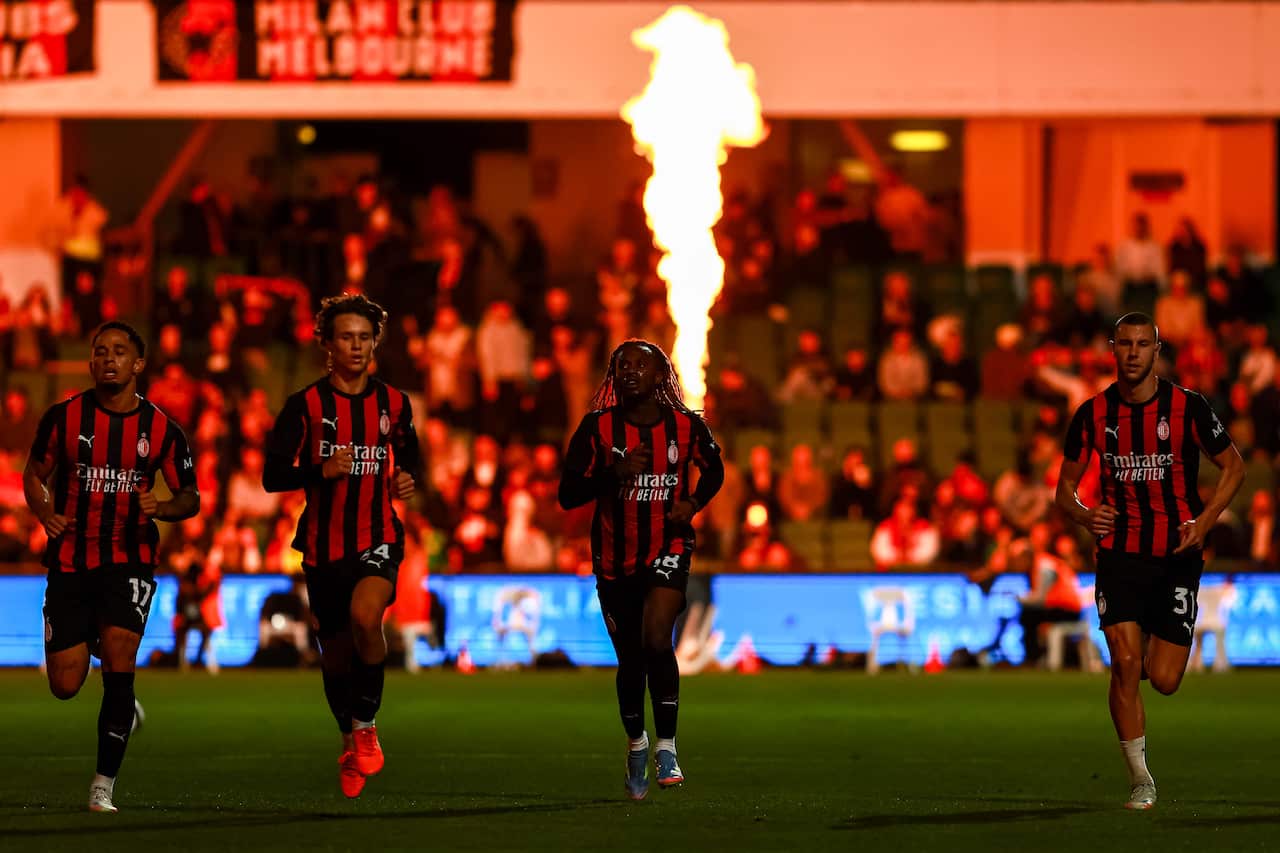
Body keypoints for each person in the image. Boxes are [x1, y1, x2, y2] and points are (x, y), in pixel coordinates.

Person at [1055, 312, 1244, 810]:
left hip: (1177, 554)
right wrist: (1084, 515)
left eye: (1143, 344)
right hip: (1119, 554)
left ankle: (1136, 664)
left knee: (1162, 679)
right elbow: (1064, 492)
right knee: (1124, 663)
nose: (1134, 352)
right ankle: (1140, 778)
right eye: (1125, 344)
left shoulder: (1189, 408)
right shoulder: (1092, 415)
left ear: (1156, 350)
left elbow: (1235, 467)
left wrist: (1204, 522)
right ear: (1112, 349)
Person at [22, 322, 200, 813]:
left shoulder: (162, 430)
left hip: (131, 561)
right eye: (100, 351)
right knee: (65, 684)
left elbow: (191, 497)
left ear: (138, 364)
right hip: (72, 561)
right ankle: (121, 702)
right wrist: (44, 513)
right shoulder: (64, 418)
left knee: (120, 662)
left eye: (120, 352)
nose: (108, 359)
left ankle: (103, 784)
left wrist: (161, 507)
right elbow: (34, 474)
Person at [263, 293, 421, 799]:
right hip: (322, 544)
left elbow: (411, 453)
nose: (356, 346)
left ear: (375, 343)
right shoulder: (305, 407)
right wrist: (321, 470)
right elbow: (272, 476)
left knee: (365, 616)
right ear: (326, 345)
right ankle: (350, 738)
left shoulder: (394, 403)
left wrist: (408, 480)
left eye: (364, 337)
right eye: (345, 337)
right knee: (333, 655)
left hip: (378, 534)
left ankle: (367, 723)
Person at [558, 340, 725, 800]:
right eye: (622, 365)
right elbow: (568, 494)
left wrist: (691, 503)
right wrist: (612, 474)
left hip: (668, 545)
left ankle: (667, 747)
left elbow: (715, 470)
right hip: (614, 558)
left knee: (657, 638)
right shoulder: (597, 429)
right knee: (631, 660)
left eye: (640, 365)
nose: (630, 371)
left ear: (659, 376)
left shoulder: (686, 426)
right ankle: (637, 743)